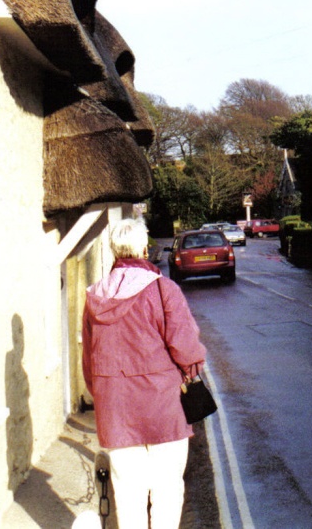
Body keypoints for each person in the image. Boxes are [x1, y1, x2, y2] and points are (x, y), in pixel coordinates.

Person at [82, 218, 207, 529]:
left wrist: (104, 395)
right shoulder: (164, 290)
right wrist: (191, 371)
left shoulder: (95, 296)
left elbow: (88, 362)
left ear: (114, 250)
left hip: (117, 410)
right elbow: (186, 347)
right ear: (142, 247)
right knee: (166, 489)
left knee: (128, 493)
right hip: (164, 407)